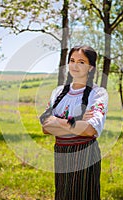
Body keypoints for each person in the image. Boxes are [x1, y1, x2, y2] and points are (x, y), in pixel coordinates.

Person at [40, 45, 108, 200]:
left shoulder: (98, 93)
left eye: (81, 62)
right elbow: (45, 127)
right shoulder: (58, 92)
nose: (75, 65)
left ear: (91, 67)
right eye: (72, 60)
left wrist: (57, 121)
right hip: (61, 153)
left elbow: (90, 130)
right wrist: (77, 122)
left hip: (85, 154)